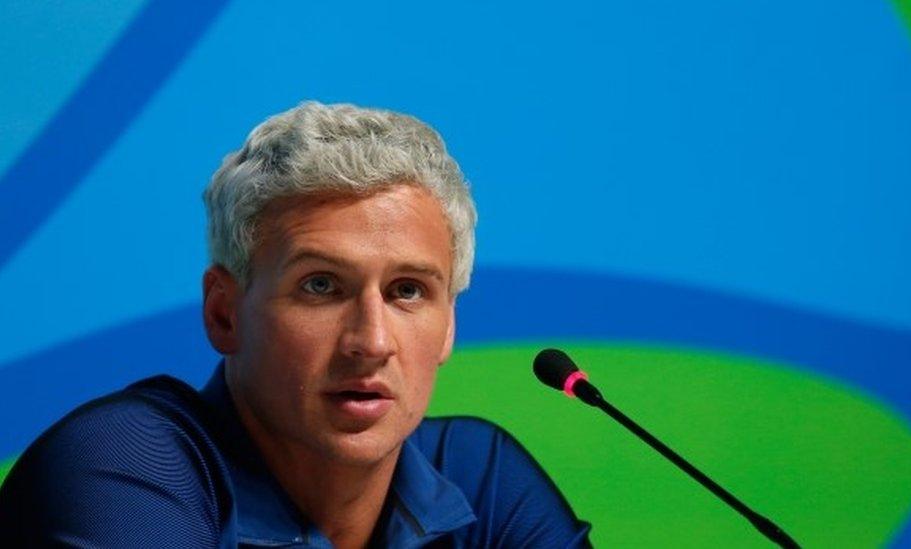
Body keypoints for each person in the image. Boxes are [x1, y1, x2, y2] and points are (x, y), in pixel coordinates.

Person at [0, 102, 591, 547]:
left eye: (407, 291)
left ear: (449, 327)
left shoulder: (476, 478)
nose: (372, 341)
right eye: (321, 286)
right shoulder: (125, 464)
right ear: (224, 314)